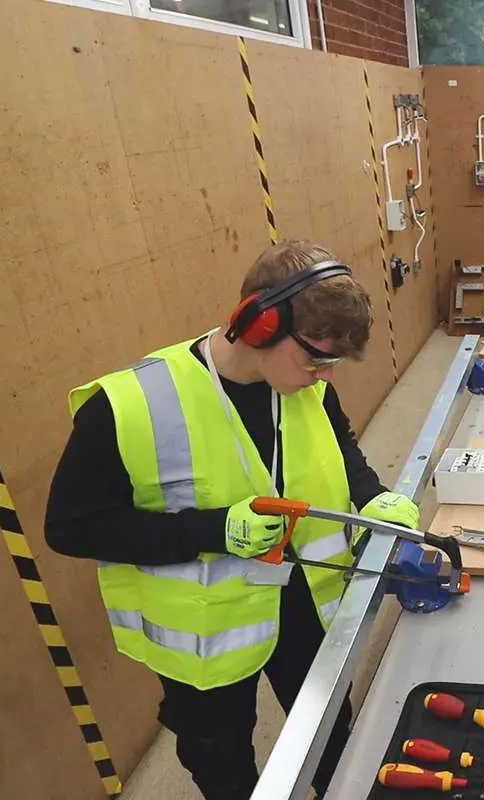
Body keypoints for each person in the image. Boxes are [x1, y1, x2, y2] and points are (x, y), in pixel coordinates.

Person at [44, 240, 422, 800]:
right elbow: (71, 527)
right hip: (206, 628)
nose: (322, 377)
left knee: (328, 732)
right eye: (315, 358)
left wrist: (373, 498)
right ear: (257, 324)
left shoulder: (304, 386)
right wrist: (212, 531)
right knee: (220, 758)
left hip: (302, 598)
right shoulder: (131, 405)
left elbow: (340, 448)